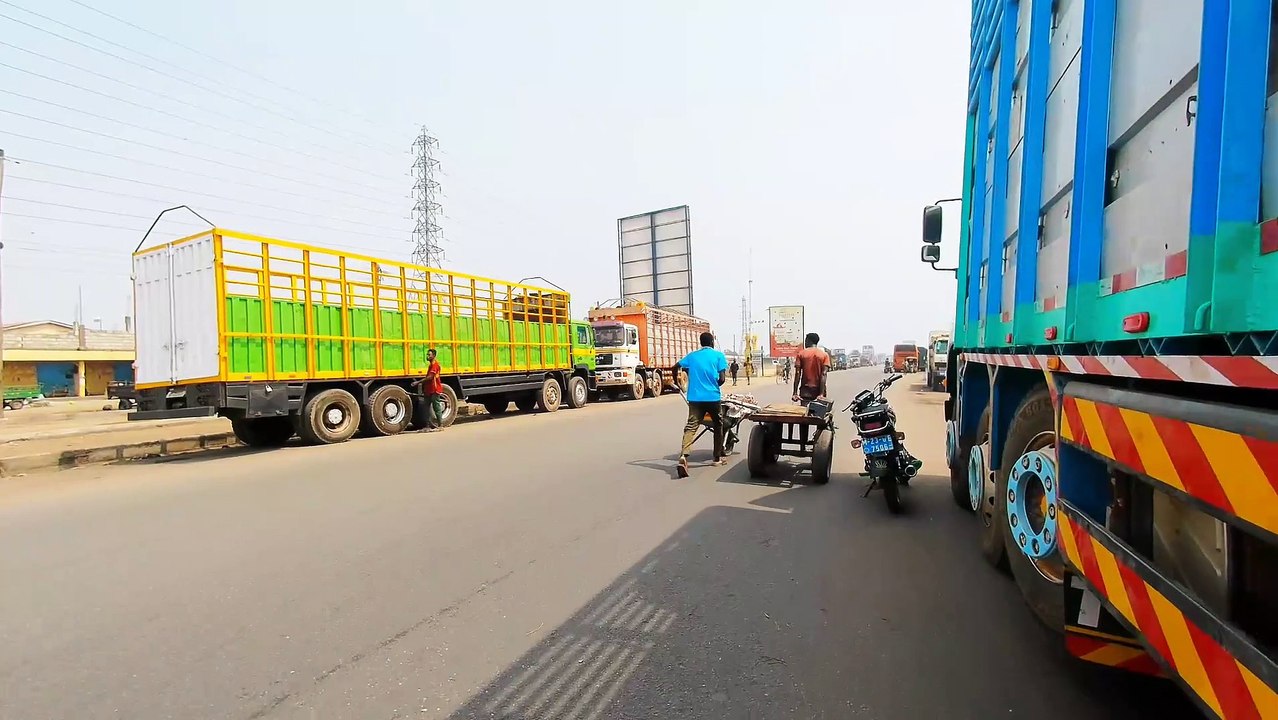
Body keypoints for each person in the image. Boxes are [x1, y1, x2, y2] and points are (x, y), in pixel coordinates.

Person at [676, 332, 728, 477]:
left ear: (701, 342)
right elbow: (722, 379)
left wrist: (678, 382)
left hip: (695, 398)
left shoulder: (692, 356)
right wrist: (714, 385)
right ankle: (717, 458)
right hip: (712, 398)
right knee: (718, 425)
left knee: (691, 426)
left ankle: (684, 456)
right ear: (712, 342)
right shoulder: (719, 356)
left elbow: (676, 366)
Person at [792, 332, 830, 404]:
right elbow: (824, 374)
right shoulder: (824, 355)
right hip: (819, 390)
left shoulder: (801, 354)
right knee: (819, 412)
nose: (805, 342)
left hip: (805, 391)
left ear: (809, 341)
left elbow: (797, 373)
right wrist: (821, 394)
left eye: (806, 340)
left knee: (805, 412)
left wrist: (795, 393)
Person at [423, 348, 446, 431]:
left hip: (435, 389)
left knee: (437, 408)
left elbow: (430, 377)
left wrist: (418, 382)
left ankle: (440, 425)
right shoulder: (431, 365)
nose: (428, 356)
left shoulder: (435, 365)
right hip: (429, 389)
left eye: (429, 355)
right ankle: (427, 426)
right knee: (426, 407)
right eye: (427, 354)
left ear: (434, 356)